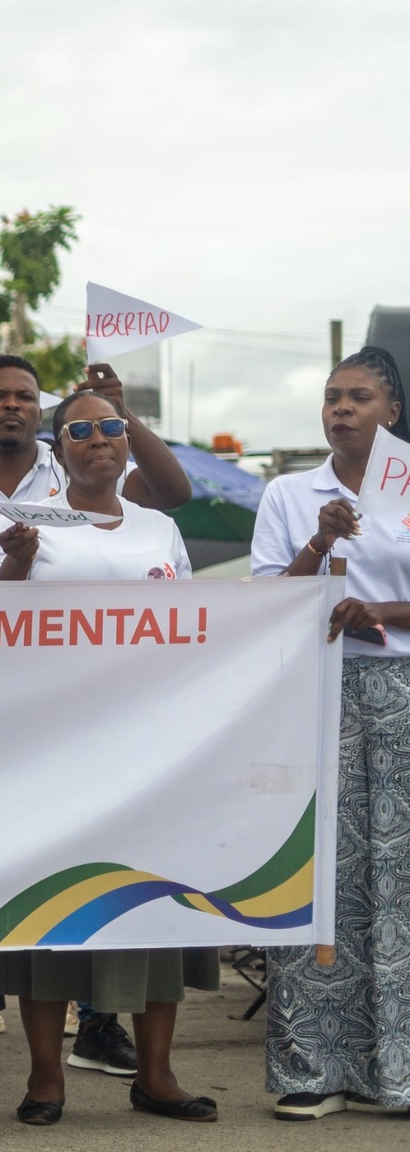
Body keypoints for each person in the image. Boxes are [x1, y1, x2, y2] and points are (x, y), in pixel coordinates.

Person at [0, 389, 216, 1125]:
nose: (98, 438)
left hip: (151, 753)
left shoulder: (158, 529)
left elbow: (196, 627)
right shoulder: (30, 527)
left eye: (110, 426)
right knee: (51, 915)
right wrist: (14, 567)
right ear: (59, 448)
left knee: (153, 907)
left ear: (127, 439)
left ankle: (156, 1076)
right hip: (55, 753)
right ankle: (46, 1079)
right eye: (79, 429)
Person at [251, 345, 410, 1121]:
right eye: (331, 397)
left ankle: (402, 1072)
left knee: (400, 880)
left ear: (393, 410)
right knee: (322, 878)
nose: (341, 408)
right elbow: (261, 606)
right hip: (315, 694)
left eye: (358, 397)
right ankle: (313, 1067)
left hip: (405, 688)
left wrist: (380, 611)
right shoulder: (288, 493)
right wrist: (317, 543)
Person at [0, 357, 192, 552]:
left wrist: (120, 411)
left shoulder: (82, 470)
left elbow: (173, 493)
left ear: (39, 414)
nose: (12, 405)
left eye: (25, 397)